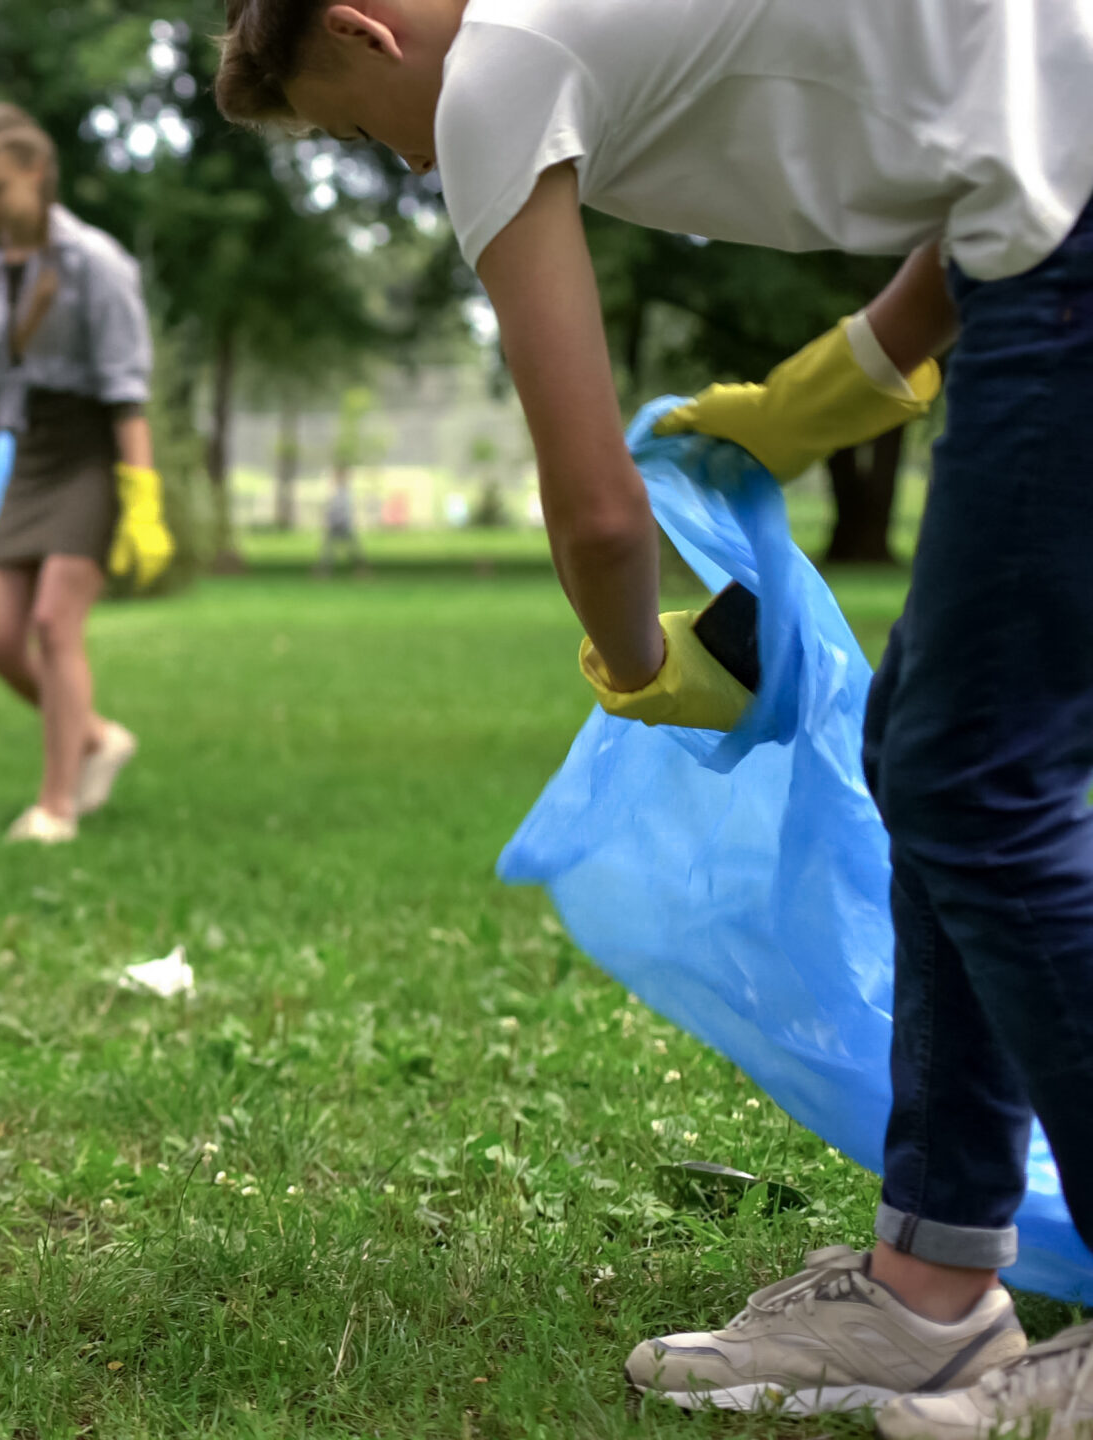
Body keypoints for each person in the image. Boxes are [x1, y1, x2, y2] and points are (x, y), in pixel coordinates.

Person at [216, 0, 1093, 1430]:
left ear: (369, 31)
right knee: (935, 761)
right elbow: (1020, 132)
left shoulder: (499, 72)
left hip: (1068, 271)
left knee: (976, 782)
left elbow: (601, 515)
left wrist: (641, 672)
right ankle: (929, 1292)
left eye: (368, 136)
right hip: (1038, 253)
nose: (421, 172)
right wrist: (828, 391)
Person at [0, 103, 176, 846]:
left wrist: (141, 500)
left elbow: (127, 392)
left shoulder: (97, 265)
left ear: (34, 173)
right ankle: (96, 736)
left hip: (93, 451)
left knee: (56, 626)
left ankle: (55, 806)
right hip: (29, 456)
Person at [316, 467, 364, 577]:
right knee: (328, 550)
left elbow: (344, 509)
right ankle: (324, 571)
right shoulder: (336, 491)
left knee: (352, 549)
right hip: (336, 524)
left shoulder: (344, 492)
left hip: (343, 523)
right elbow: (331, 508)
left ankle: (361, 570)